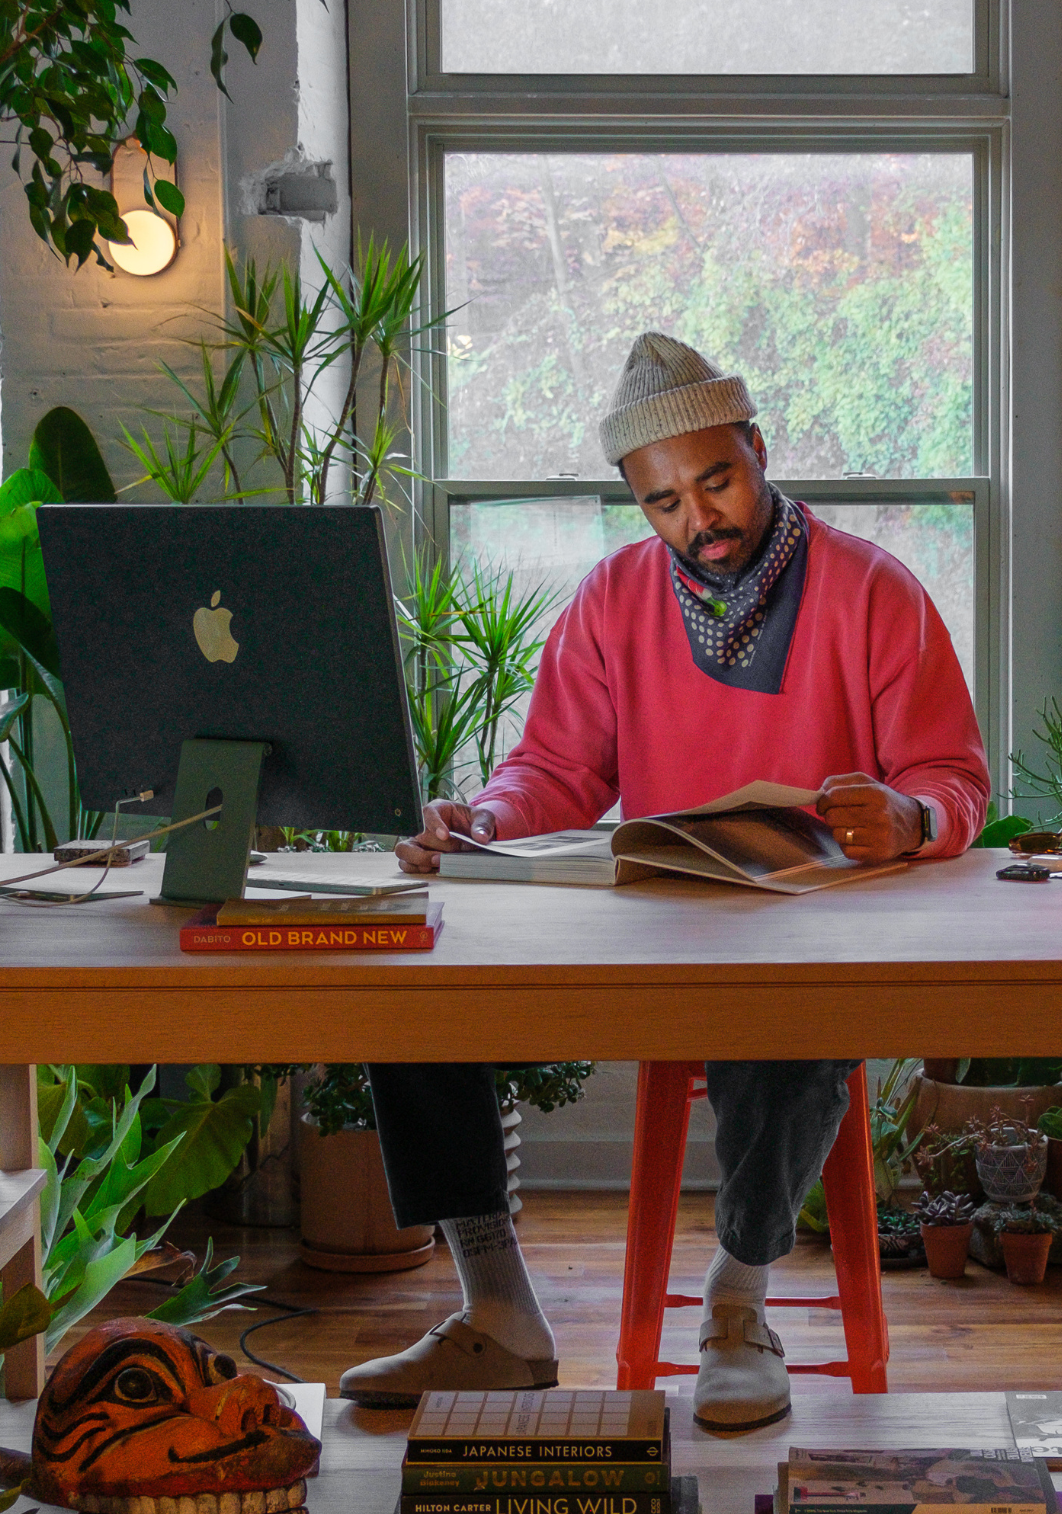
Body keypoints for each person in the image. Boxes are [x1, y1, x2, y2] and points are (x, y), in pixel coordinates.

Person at [336, 332, 988, 1431]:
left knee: (787, 1013)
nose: (699, 519)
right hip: (643, 920)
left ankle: (738, 1303)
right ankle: (496, 1312)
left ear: (759, 448)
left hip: (802, 930)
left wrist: (912, 814)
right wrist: (484, 820)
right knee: (412, 973)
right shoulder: (611, 599)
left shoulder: (874, 590)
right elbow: (553, 768)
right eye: (663, 501)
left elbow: (950, 775)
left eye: (718, 480)